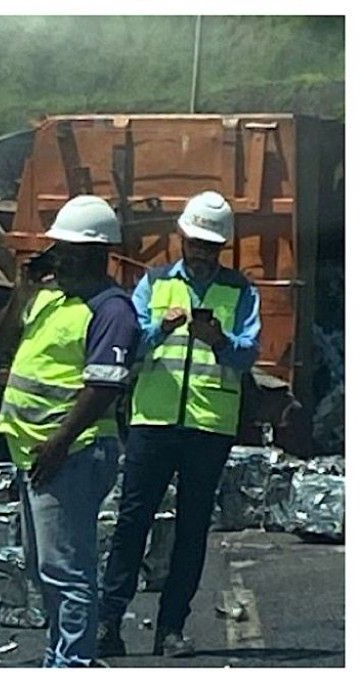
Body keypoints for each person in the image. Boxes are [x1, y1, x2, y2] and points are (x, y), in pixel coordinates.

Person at [96, 190, 261, 658]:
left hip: (209, 426)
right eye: (196, 244)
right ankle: (109, 622)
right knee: (133, 523)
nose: (202, 254)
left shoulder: (240, 291)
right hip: (154, 420)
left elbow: (248, 354)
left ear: (222, 248)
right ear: (182, 238)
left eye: (211, 247)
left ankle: (171, 629)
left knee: (192, 530)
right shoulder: (153, 284)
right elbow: (129, 345)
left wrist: (219, 341)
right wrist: (160, 329)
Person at [0, 195, 141, 668]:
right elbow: (1, 343)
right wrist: (21, 290)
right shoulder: (52, 298)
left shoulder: (112, 309)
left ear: (97, 254)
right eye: (55, 249)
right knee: (45, 570)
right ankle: (61, 658)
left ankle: (73, 663)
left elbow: (103, 388)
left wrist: (56, 445)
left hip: (72, 453)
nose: (58, 258)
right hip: (35, 452)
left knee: (67, 570)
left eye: (68, 250)